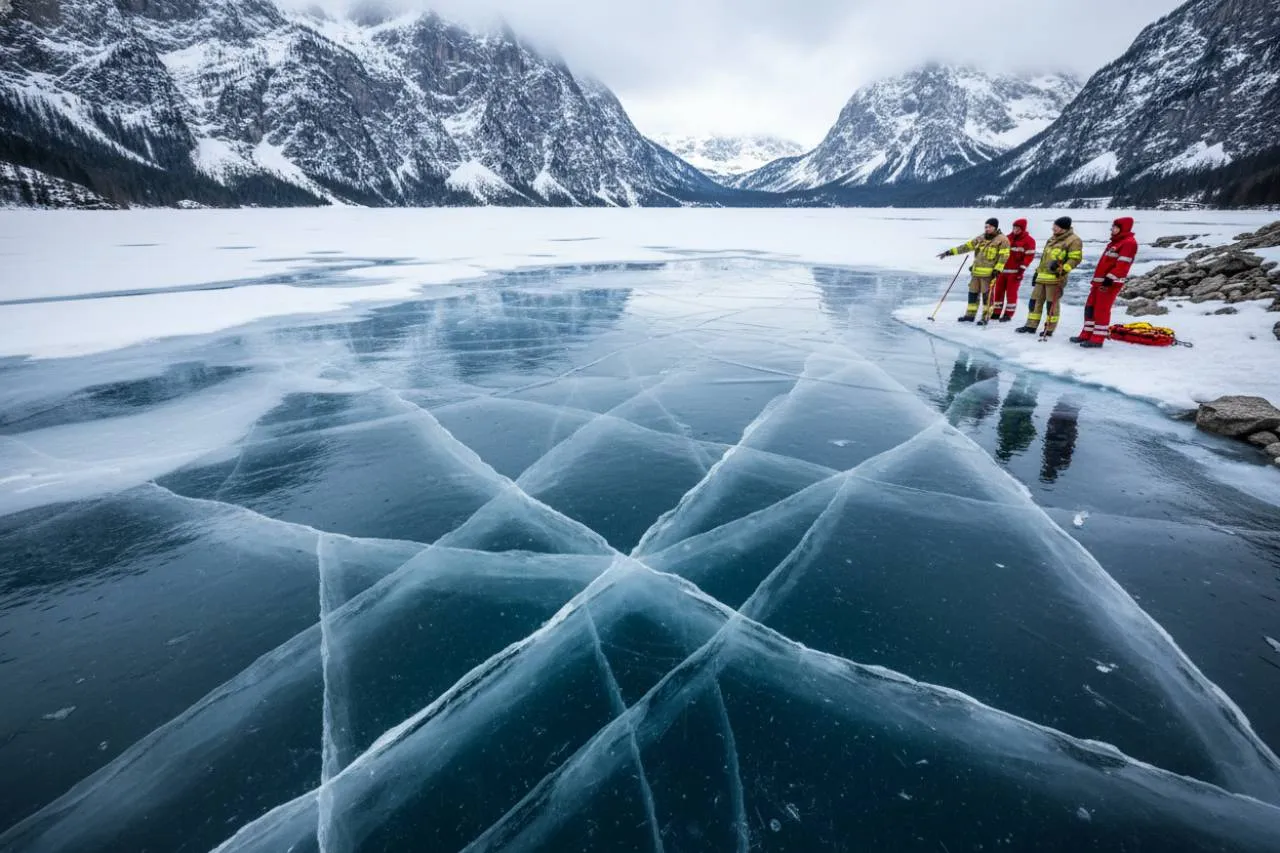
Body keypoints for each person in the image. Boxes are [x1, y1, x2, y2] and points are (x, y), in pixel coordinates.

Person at [1072, 217, 1138, 348]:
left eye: (1115, 227)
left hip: (1110, 283)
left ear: (1123, 228)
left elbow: (1123, 264)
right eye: (1112, 227)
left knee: (1101, 310)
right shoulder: (1114, 243)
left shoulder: (1129, 243)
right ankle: (1086, 334)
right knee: (1090, 308)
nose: (1112, 229)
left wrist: (1110, 278)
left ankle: (1097, 338)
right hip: (1099, 282)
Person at [1016, 216, 1083, 339]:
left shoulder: (1074, 240)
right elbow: (1044, 259)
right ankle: (1031, 326)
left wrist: (1062, 270)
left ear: (1063, 228)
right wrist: (1037, 272)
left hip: (1055, 278)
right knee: (1034, 302)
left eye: (1055, 226)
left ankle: (1049, 328)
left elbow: (1075, 259)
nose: (1053, 228)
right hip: (1042, 277)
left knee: (1051, 305)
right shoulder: (1052, 239)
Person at [937, 217, 1011, 324]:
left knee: (987, 296)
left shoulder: (1003, 240)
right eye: (986, 227)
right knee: (973, 294)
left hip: (989, 274)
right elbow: (966, 247)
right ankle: (969, 316)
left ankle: (985, 318)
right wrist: (949, 252)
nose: (987, 229)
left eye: (989, 227)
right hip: (976, 273)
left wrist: (998, 269)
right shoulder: (980, 238)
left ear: (995, 227)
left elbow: (1004, 256)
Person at [989, 218, 1036, 323]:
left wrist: (1021, 270)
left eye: (1018, 228)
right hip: (1002, 272)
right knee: (998, 292)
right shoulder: (1007, 238)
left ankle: (1008, 314)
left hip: (1015, 273)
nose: (1015, 230)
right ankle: (996, 312)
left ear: (1023, 229)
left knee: (1011, 294)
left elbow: (1029, 257)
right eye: (1014, 227)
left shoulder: (1029, 241)